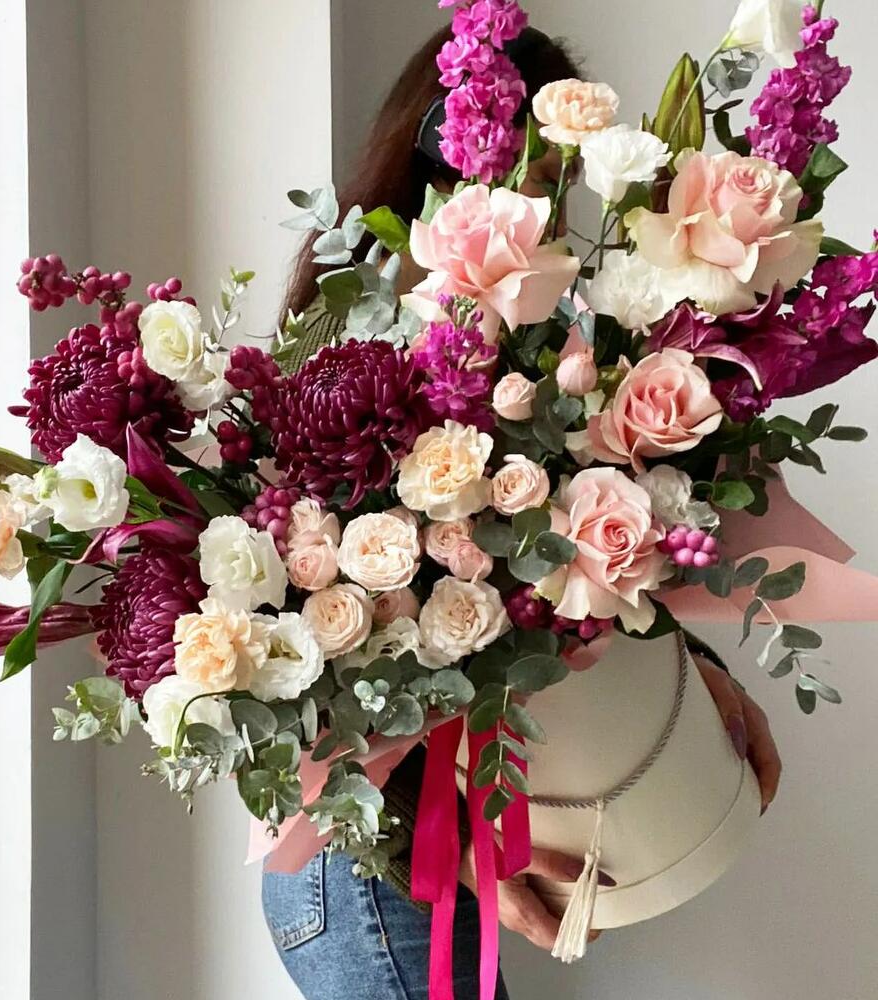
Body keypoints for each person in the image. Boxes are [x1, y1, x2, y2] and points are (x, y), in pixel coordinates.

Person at [262, 23, 782, 1000]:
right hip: (367, 874)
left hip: (420, 870)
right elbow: (295, 667)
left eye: (554, 179)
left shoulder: (545, 343)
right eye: (513, 165)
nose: (535, 207)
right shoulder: (351, 330)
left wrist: (699, 675)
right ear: (436, 148)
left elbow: (562, 593)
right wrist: (449, 850)